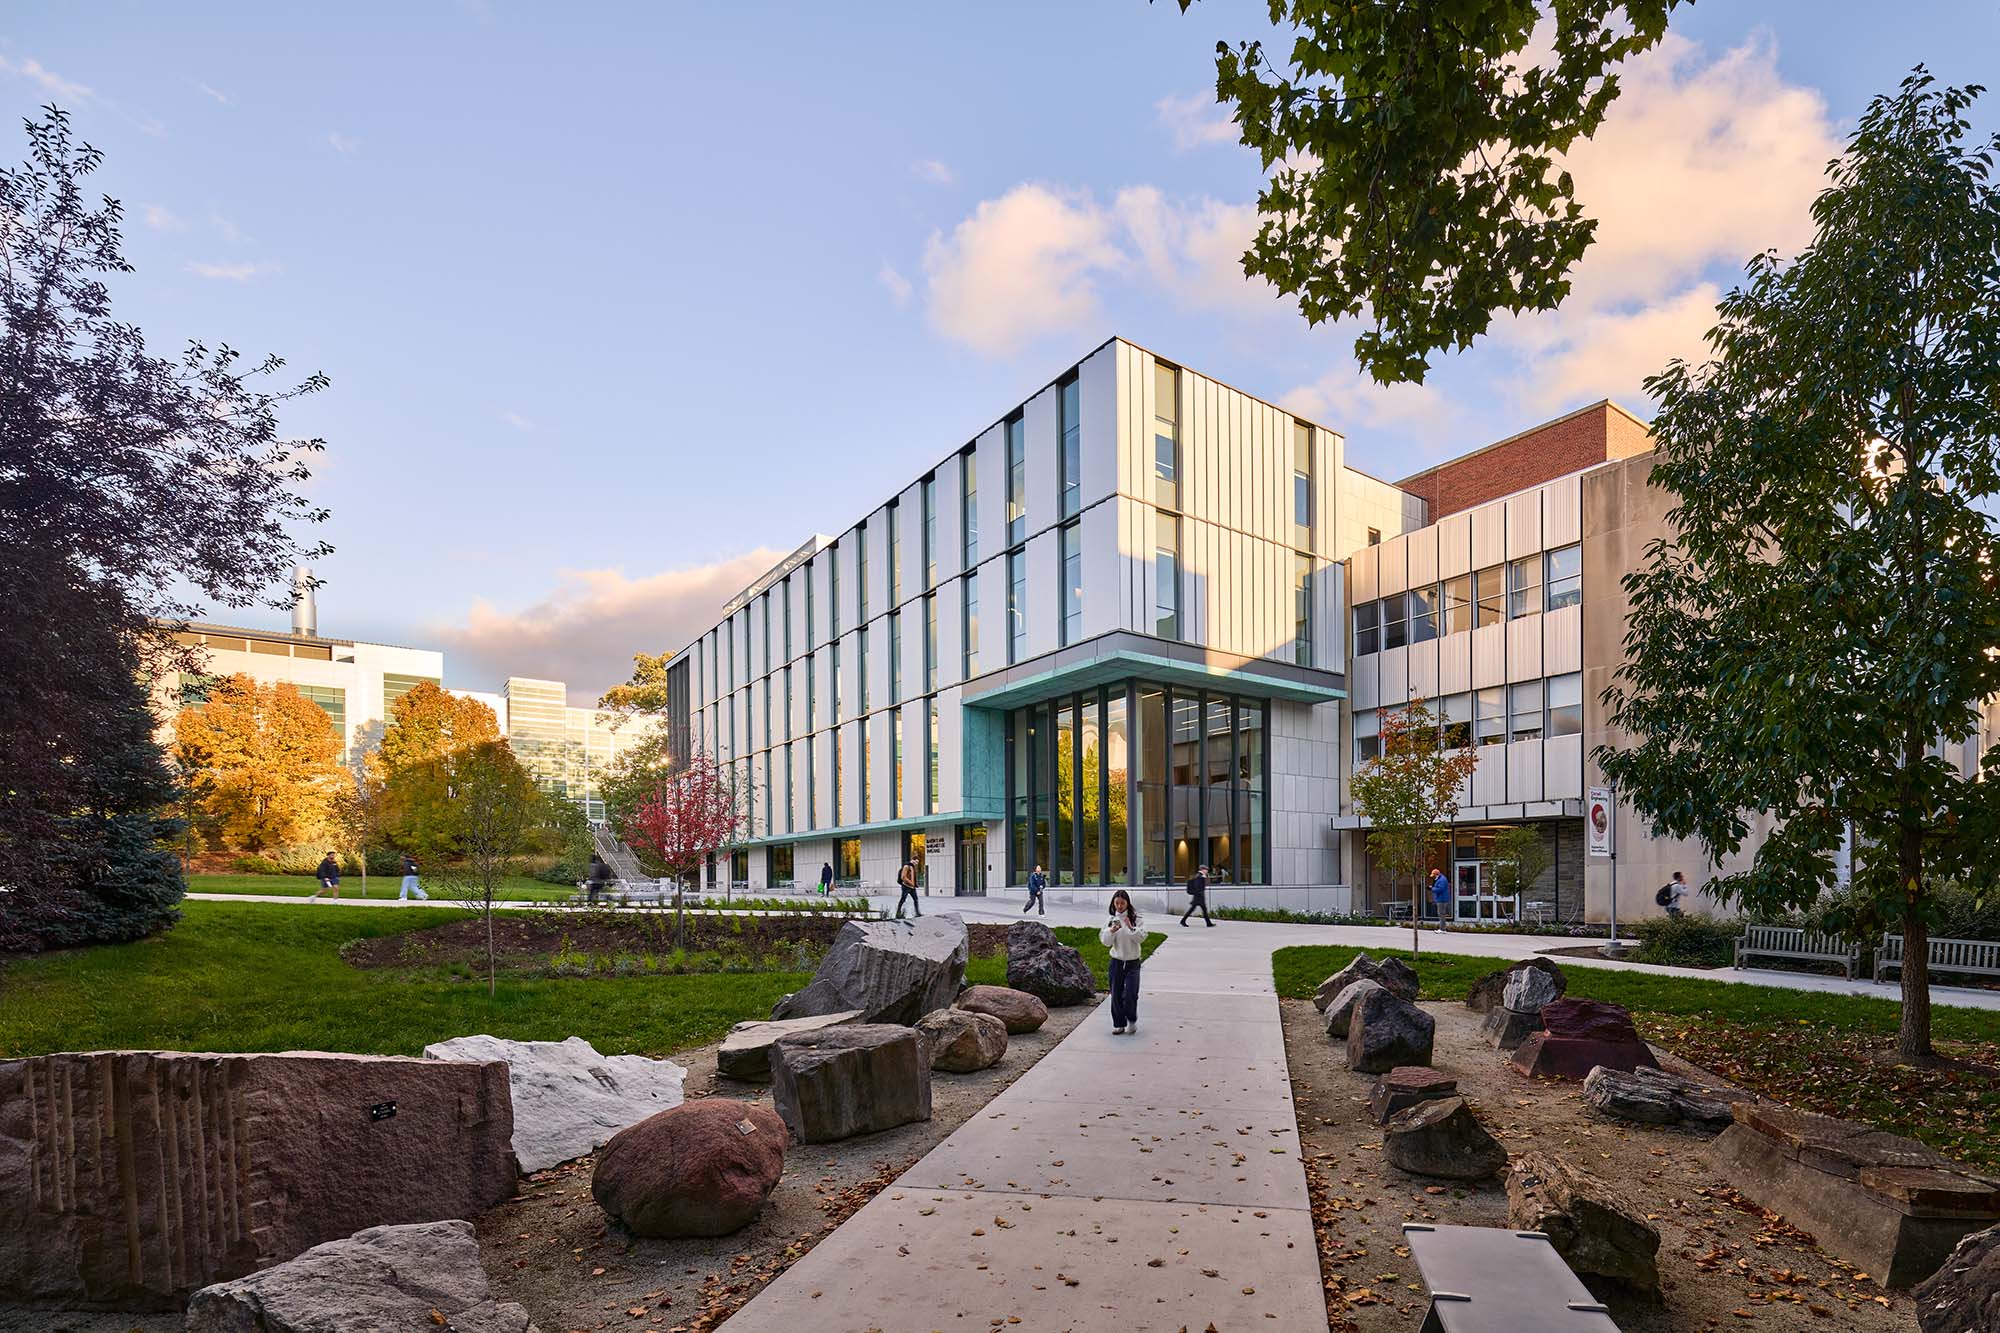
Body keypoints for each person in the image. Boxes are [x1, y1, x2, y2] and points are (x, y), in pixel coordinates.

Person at [1101, 889, 1145, 1035]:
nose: (1119, 906)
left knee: (1131, 993)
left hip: (1133, 962)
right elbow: (1105, 942)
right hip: (1117, 962)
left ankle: (1131, 1019)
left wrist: (1130, 927)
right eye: (1117, 903)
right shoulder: (1111, 919)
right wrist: (1112, 931)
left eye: (1122, 903)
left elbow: (1141, 938)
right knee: (1116, 993)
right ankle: (1119, 1023)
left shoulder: (1136, 918)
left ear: (1127, 903)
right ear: (1113, 904)